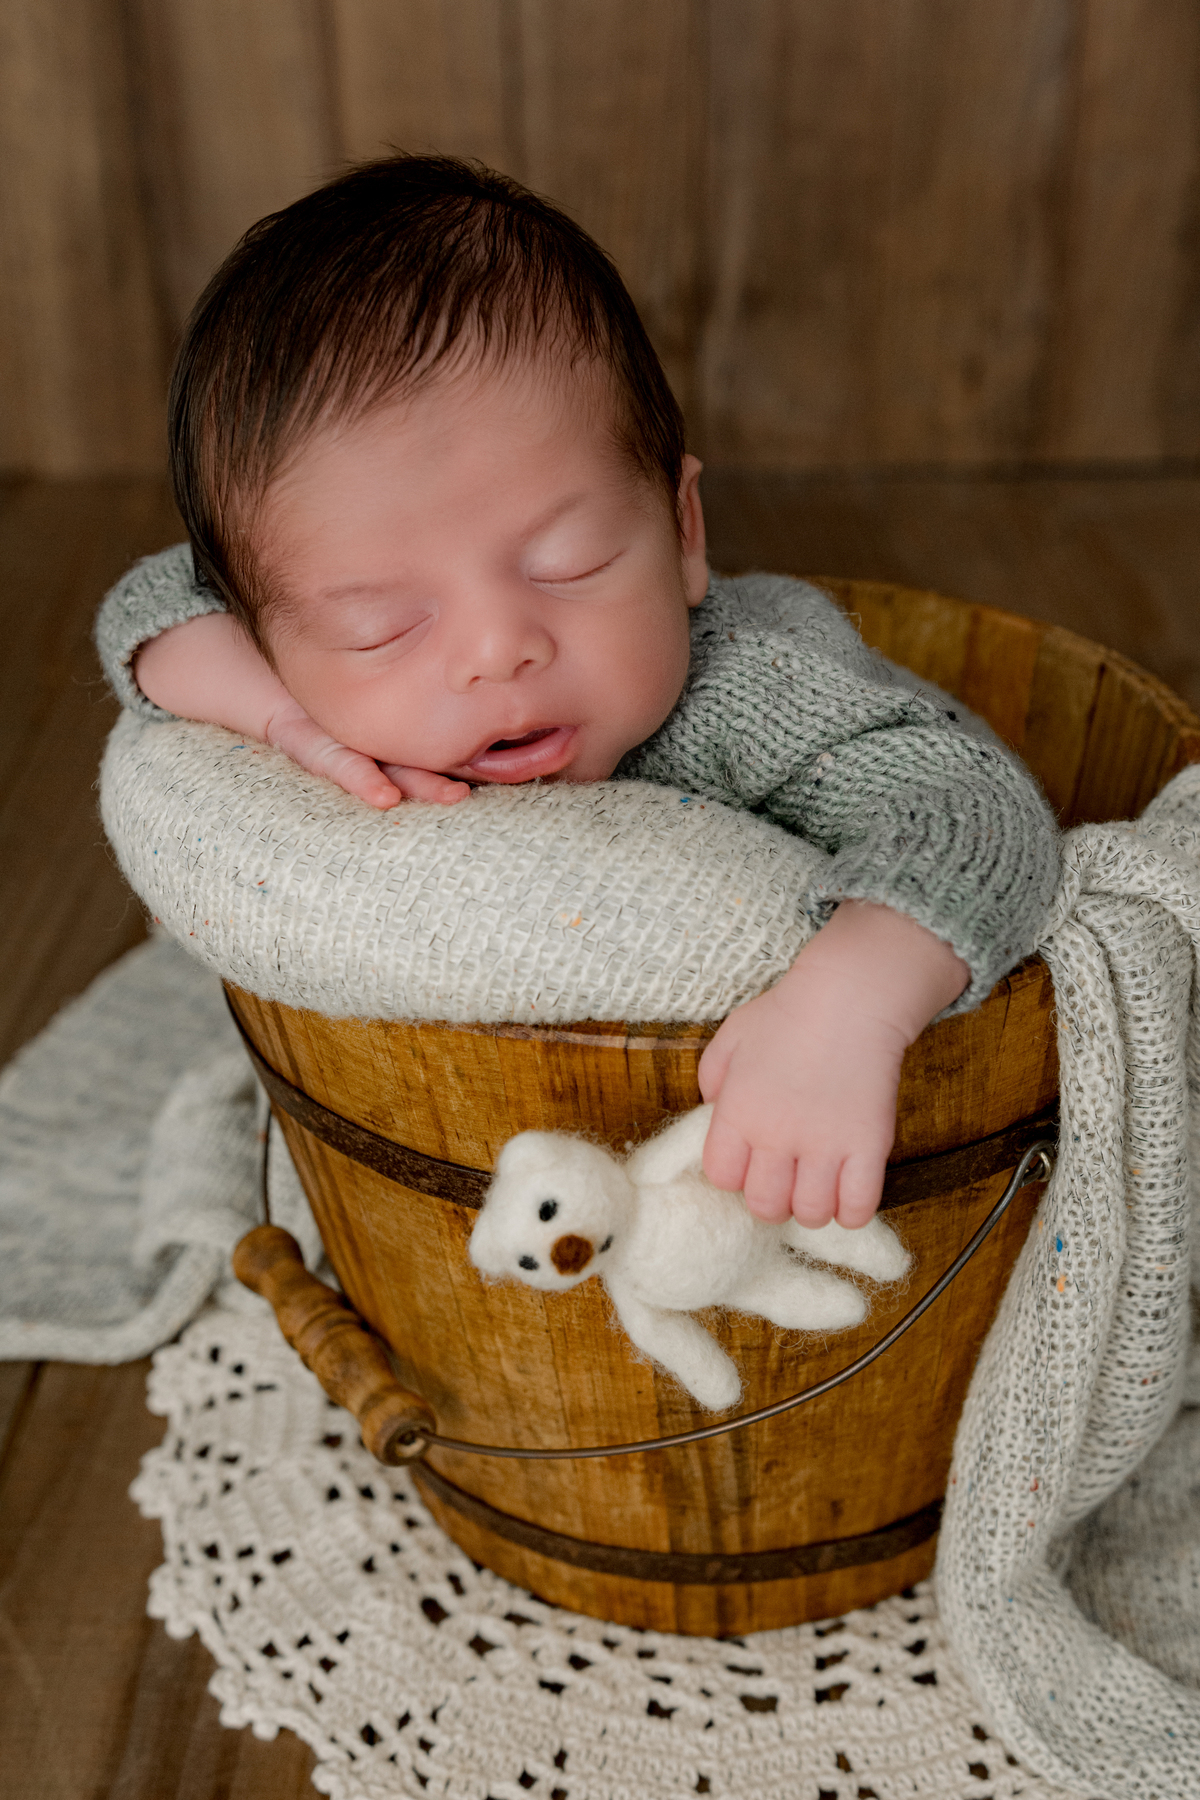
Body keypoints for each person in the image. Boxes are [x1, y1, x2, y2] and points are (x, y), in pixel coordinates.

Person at [96, 153, 1059, 1234]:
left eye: (571, 561)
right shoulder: (286, 659)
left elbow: (979, 819)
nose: (499, 648)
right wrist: (281, 715)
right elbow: (150, 607)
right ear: (272, 635)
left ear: (683, 533)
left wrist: (852, 1004)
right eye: (384, 623)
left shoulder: (756, 688)